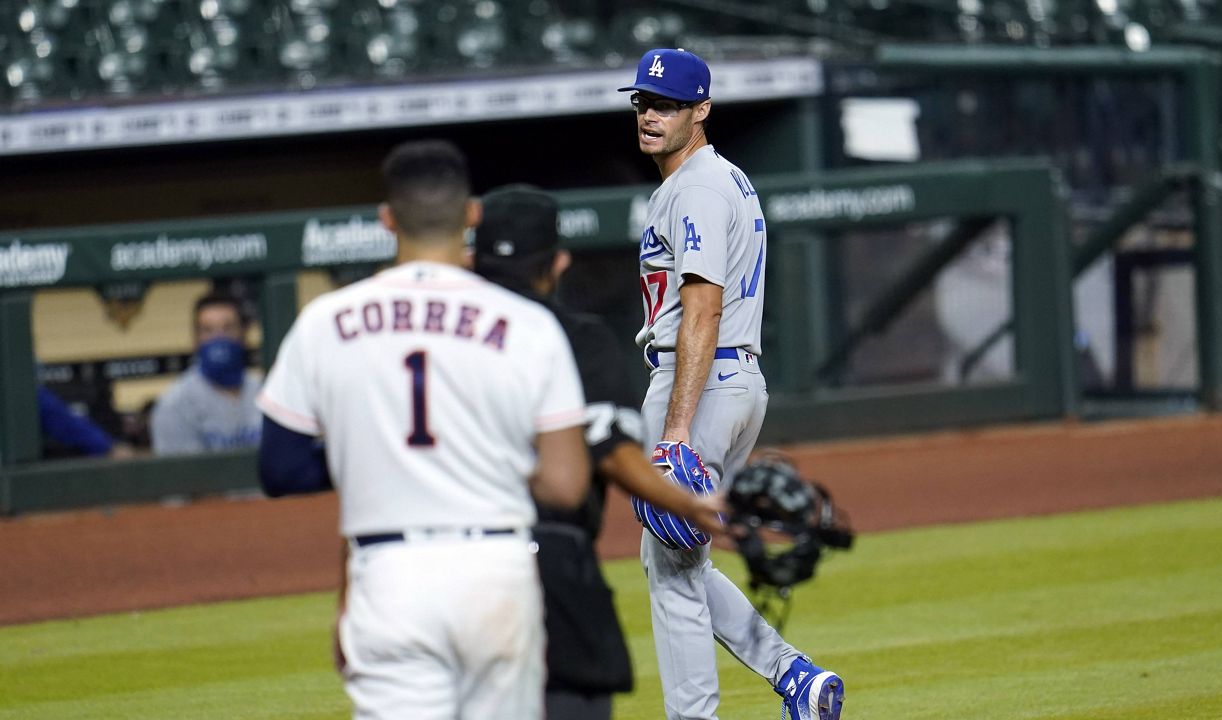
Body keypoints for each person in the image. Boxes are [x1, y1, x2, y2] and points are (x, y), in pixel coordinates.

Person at [255, 139, 590, 720]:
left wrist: (371, 455)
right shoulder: (529, 325)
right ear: (472, 215)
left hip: (389, 576)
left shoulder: (325, 321)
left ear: (387, 219)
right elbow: (565, 485)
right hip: (496, 568)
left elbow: (279, 470)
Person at [618, 48, 847, 720]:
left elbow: (703, 305)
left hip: (700, 384)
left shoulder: (695, 187)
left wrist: (678, 429)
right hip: (733, 380)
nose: (651, 115)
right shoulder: (721, 179)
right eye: (643, 103)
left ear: (702, 110)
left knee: (672, 572)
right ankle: (795, 678)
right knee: (676, 557)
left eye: (667, 105)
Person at [471, 184, 728, 720]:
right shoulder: (575, 337)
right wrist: (694, 505)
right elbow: (611, 454)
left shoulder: (437, 340)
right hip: (547, 569)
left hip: (442, 567)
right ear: (558, 261)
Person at [150, 291, 262, 455]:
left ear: (244, 334)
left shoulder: (265, 390)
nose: (218, 337)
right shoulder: (174, 404)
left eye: (228, 328)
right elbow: (178, 476)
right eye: (208, 330)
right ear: (195, 338)